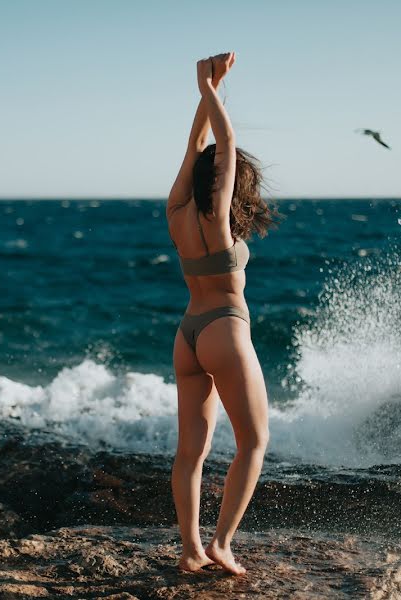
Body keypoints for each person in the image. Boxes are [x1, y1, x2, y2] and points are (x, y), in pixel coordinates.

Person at [166, 51, 276, 575]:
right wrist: (206, 85)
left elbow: (199, 147)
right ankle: (222, 544)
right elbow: (225, 145)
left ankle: (189, 549)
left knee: (191, 452)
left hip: (187, 334)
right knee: (254, 441)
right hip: (226, 333)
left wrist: (210, 89)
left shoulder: (178, 212)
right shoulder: (216, 217)